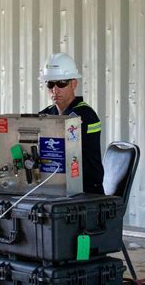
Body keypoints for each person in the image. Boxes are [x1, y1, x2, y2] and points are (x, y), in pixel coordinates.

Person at [38, 53, 104, 194]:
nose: (55, 90)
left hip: (86, 192)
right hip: (56, 188)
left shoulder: (86, 115)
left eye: (61, 83)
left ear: (74, 84)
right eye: (50, 83)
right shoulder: (46, 115)